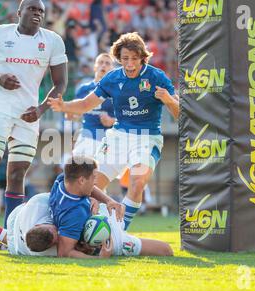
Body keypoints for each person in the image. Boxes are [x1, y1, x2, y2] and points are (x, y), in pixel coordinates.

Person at [0, 0, 68, 248]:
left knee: (18, 172)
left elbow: (60, 83)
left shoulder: (53, 40)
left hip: (29, 114)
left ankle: (8, 236)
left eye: (41, 11)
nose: (37, 14)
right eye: (32, 9)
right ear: (19, 12)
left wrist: (41, 109)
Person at [48, 32, 179, 230]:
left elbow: (180, 114)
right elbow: (85, 104)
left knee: (137, 182)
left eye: (135, 58)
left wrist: (169, 100)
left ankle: (119, 231)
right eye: (125, 58)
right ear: (119, 58)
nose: (130, 64)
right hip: (118, 137)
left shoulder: (156, 76)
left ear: (143, 58)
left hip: (147, 137)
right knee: (90, 186)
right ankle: (78, 227)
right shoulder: (112, 78)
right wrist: (64, 106)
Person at [0, 189, 172, 258]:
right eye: (57, 235)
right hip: (20, 241)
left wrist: (93, 201)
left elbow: (71, 195)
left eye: (55, 229)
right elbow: (67, 252)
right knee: (10, 241)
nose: (59, 231)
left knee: (10, 239)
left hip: (18, 219)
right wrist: (99, 258)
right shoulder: (45, 251)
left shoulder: (39, 205)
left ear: (40, 225)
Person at [69, 53, 116, 158]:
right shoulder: (83, 89)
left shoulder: (117, 91)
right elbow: (77, 114)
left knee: (100, 173)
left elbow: (127, 118)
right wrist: (71, 115)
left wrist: (112, 121)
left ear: (112, 69)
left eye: (107, 63)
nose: (103, 65)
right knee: (74, 171)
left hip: (107, 140)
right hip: (86, 136)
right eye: (100, 62)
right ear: (95, 66)